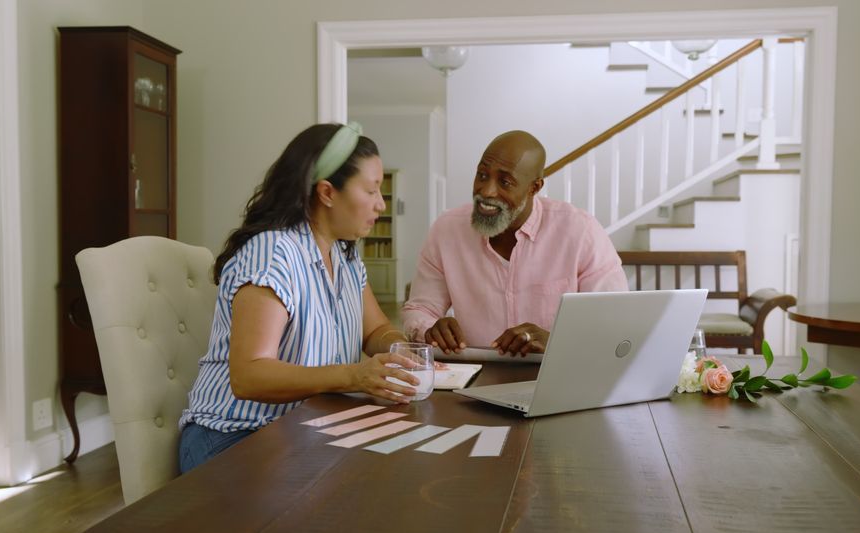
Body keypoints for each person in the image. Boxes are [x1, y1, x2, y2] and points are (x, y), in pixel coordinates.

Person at [178, 122, 419, 473]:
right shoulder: (273, 254)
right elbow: (250, 376)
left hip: (301, 429)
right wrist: (354, 376)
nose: (381, 205)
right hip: (232, 437)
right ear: (327, 193)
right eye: (370, 191)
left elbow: (375, 329)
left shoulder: (345, 256)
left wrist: (402, 351)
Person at [401, 130, 627, 357]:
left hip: (554, 372)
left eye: (505, 182)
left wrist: (557, 341)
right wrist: (429, 329)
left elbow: (613, 320)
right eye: (482, 175)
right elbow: (420, 309)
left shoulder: (581, 231)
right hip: (474, 375)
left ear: (534, 188)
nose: (486, 191)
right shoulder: (446, 230)